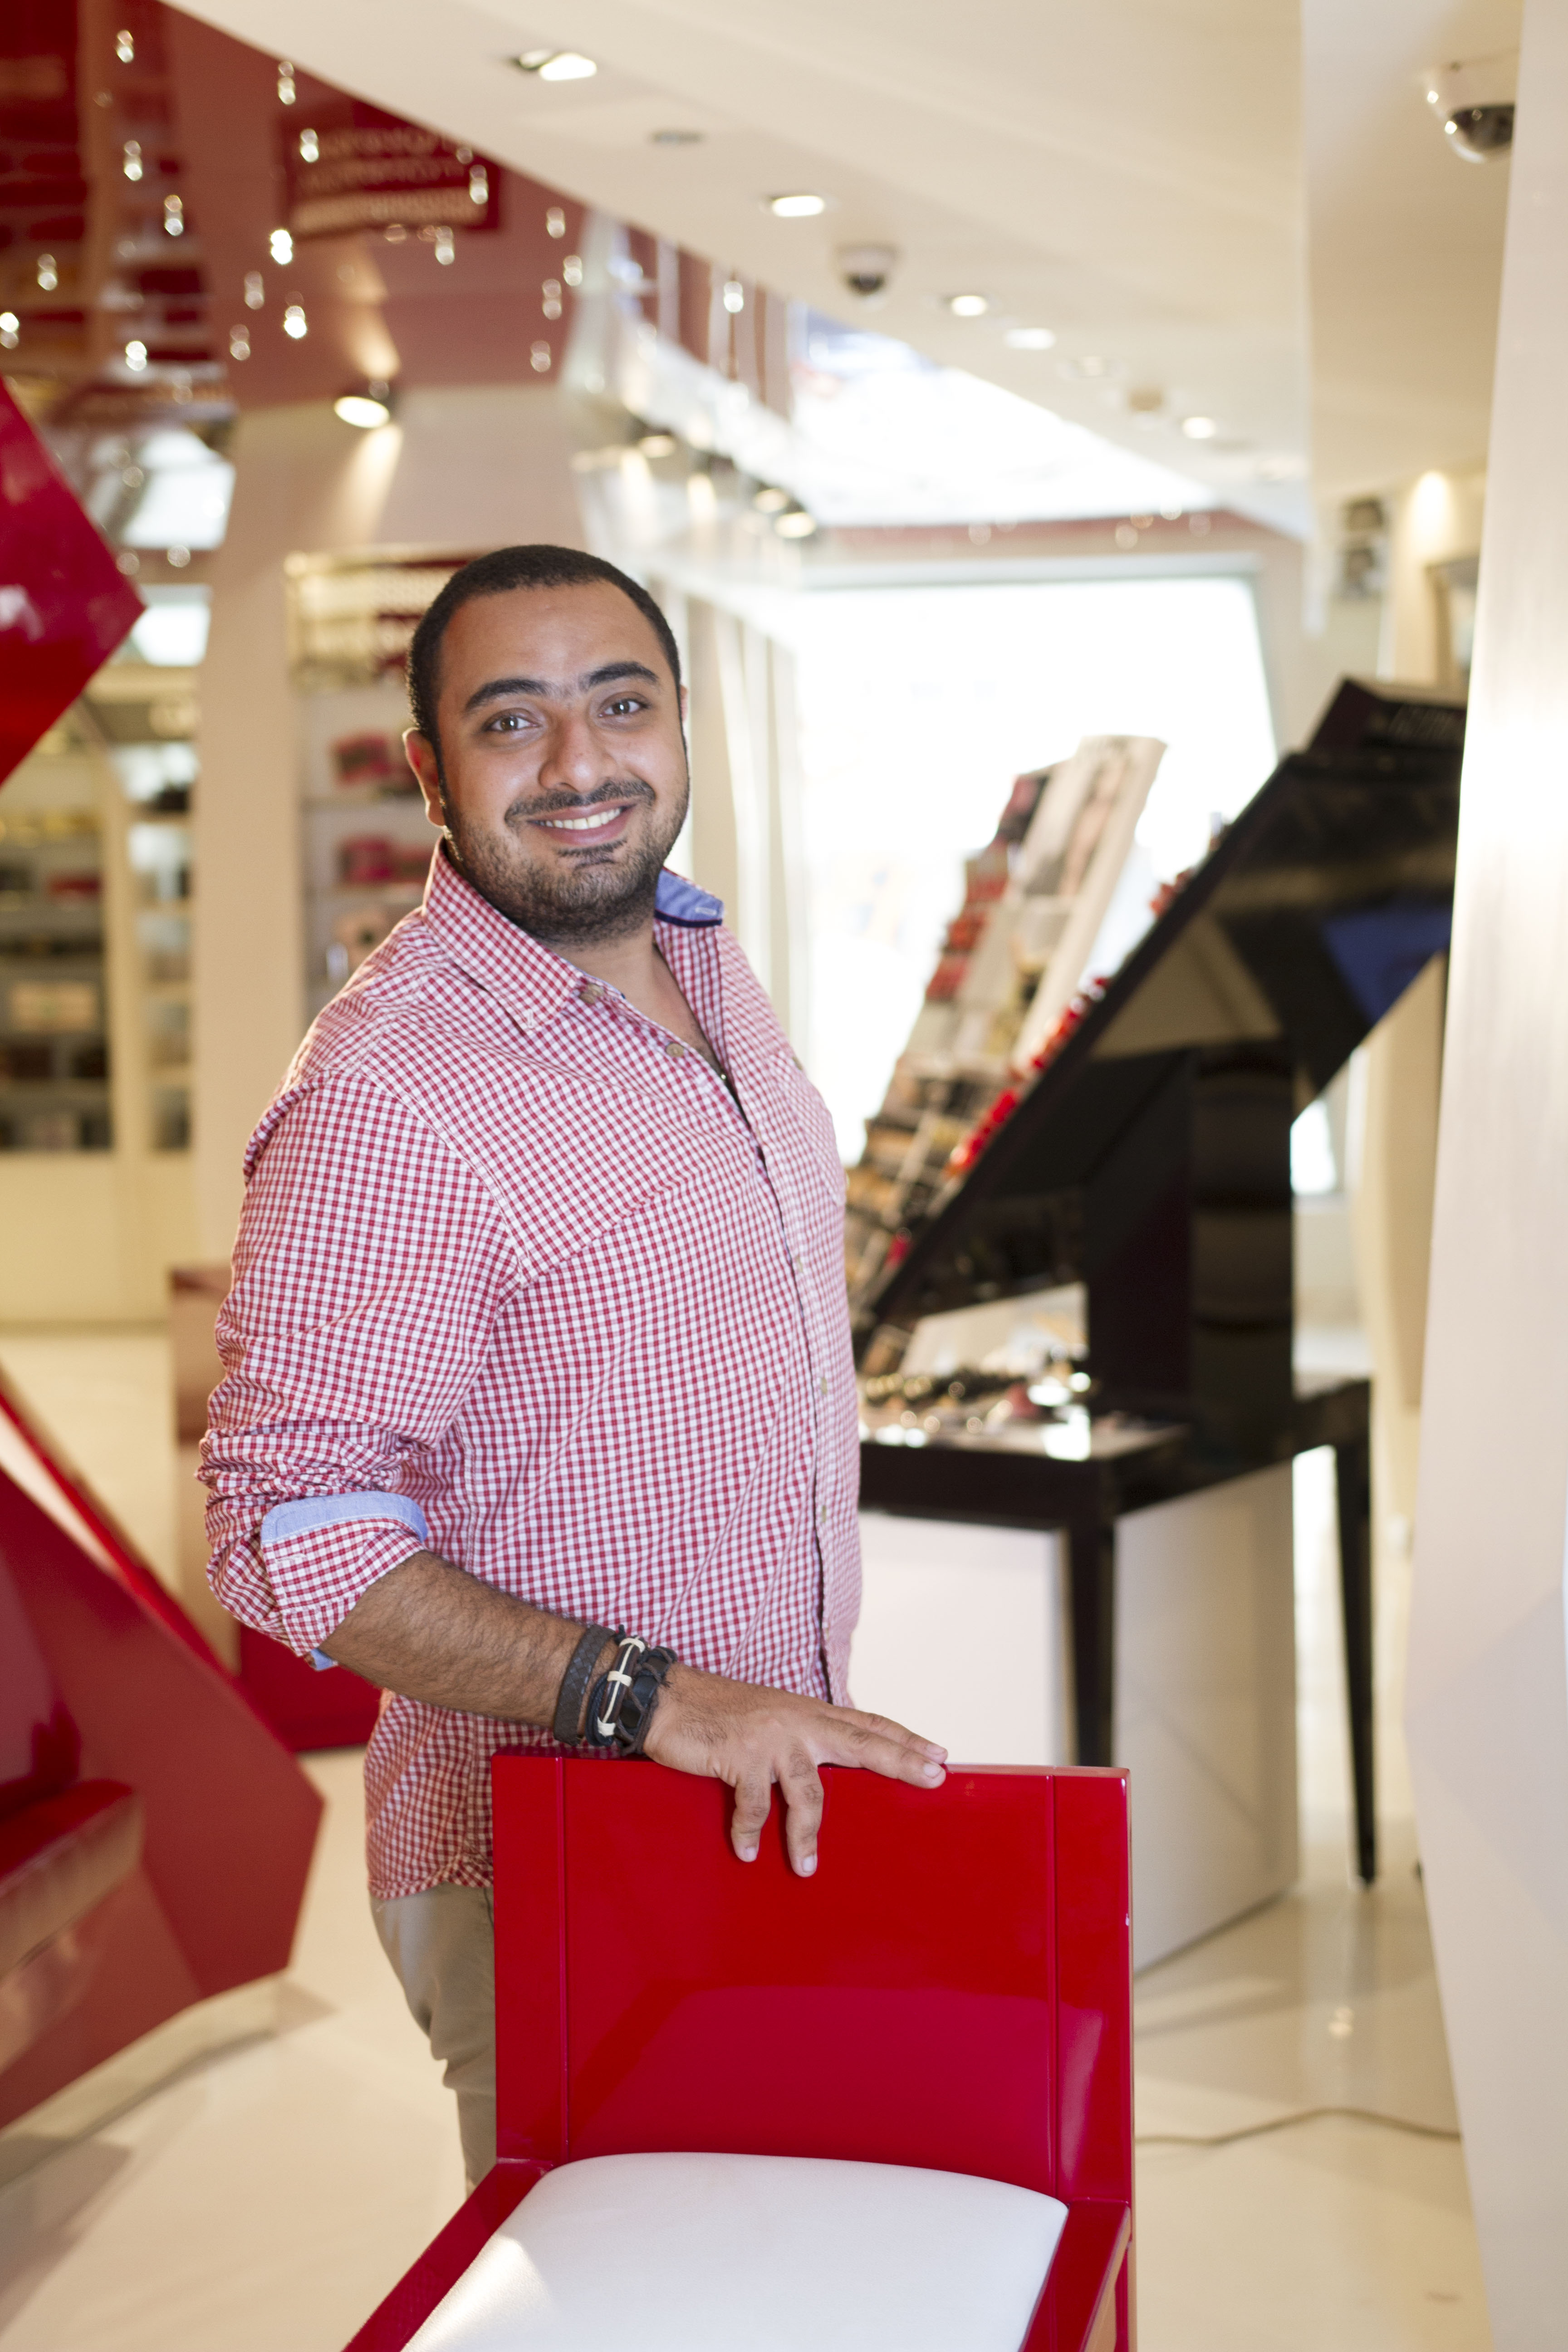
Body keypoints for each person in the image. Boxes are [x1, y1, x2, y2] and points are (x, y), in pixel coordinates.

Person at [201, 545, 947, 2188]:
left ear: (680, 725)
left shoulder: (707, 967)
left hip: (755, 1792)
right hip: (557, 1854)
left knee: (757, 2258)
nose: (579, 764)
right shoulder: (392, 1093)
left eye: (620, 705)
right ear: (431, 771)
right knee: (625, 2285)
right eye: (511, 721)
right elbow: (284, 1533)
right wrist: (658, 1701)